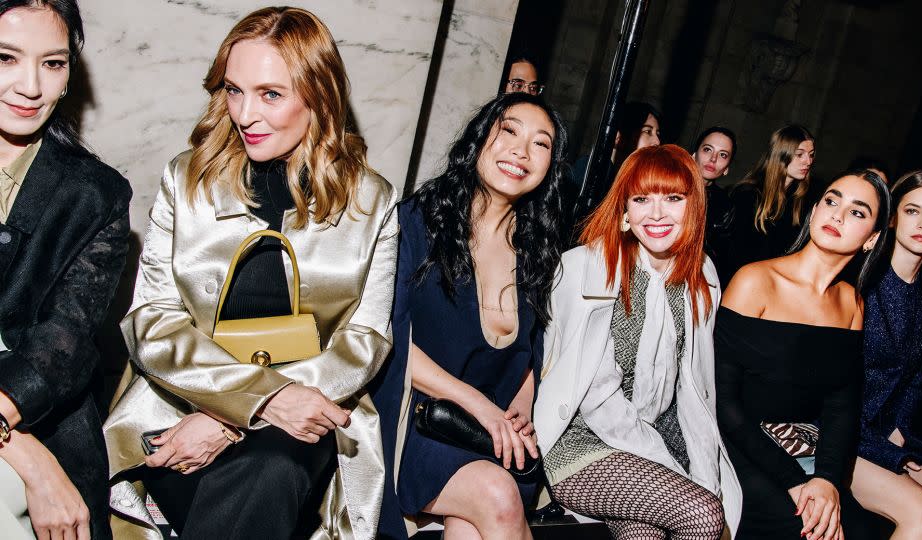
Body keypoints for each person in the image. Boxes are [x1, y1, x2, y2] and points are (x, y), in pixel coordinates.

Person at [103, 7, 397, 539]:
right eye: (234, 90)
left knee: (273, 470)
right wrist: (247, 403)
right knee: (252, 486)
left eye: (270, 94)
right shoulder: (187, 179)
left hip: (309, 412)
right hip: (178, 405)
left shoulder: (371, 200)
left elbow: (365, 339)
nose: (244, 113)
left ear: (319, 96)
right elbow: (152, 319)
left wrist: (241, 415)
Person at [372, 91, 567, 539]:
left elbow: (528, 354)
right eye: (509, 131)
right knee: (497, 496)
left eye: (541, 144)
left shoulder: (538, 250)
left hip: (487, 440)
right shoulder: (416, 224)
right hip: (417, 421)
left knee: (474, 521)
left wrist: (518, 415)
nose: (521, 151)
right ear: (479, 140)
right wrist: (482, 408)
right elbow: (388, 337)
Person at [535, 144, 742, 539]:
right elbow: (598, 399)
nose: (657, 213)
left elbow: (693, 392)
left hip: (652, 442)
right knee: (703, 515)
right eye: (642, 199)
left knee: (644, 533)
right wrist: (677, 475)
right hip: (580, 443)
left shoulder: (702, 277)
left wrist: (703, 470)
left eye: (673, 198)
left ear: (694, 206)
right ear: (625, 210)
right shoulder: (586, 266)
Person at [0, 1, 131, 539]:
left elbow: (63, 344)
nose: (31, 86)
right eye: (5, 58)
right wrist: (26, 459)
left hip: (36, 412)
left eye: (53, 64)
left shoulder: (95, 196)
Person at [716, 169, 891, 539]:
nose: (838, 215)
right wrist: (795, 481)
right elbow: (724, 403)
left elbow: (841, 407)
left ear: (872, 240)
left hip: (798, 445)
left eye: (857, 212)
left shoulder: (852, 303)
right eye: (832, 201)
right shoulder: (756, 281)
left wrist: (826, 480)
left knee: (859, 530)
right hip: (737, 445)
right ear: (814, 210)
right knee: (809, 530)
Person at [851, 169, 922, 538]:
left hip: (889, 430)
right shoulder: (861, 281)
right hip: (839, 430)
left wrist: (898, 428)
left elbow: (913, 378)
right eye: (913, 211)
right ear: (894, 215)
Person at [567, 102, 662, 243]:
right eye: (647, 132)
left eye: (657, 134)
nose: (657, 141)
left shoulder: (636, 181)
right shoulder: (589, 169)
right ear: (618, 137)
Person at [727, 124, 815, 275]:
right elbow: (732, 252)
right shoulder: (748, 194)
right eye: (800, 154)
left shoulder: (801, 200)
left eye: (811, 154)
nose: (808, 161)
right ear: (781, 155)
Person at [691, 126, 736, 286]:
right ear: (694, 154)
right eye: (708, 149)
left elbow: (721, 261)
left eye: (723, 155)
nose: (713, 159)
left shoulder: (726, 206)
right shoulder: (667, 186)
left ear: (727, 168)